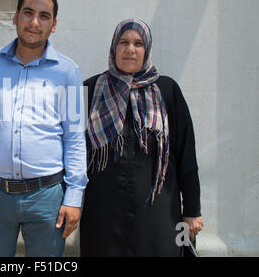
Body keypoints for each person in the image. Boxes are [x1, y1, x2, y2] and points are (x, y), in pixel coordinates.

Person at [0, 0, 88, 257]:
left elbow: (74, 137)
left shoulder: (68, 71)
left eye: (44, 16)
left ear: (54, 25)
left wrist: (73, 197)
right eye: (28, 13)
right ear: (15, 17)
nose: (34, 23)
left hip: (46, 196)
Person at [80, 19, 204, 256]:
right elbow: (72, 151)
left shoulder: (167, 90)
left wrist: (192, 209)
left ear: (146, 49)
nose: (130, 49)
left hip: (158, 213)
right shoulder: (91, 89)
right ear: (113, 47)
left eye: (138, 43)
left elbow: (186, 154)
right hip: (103, 212)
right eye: (123, 42)